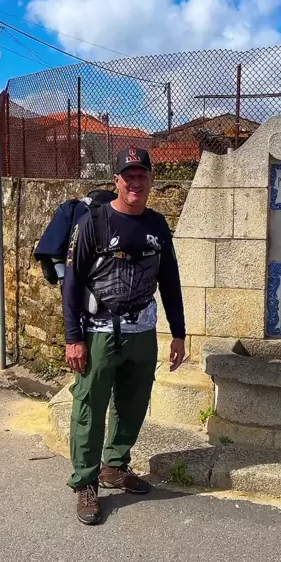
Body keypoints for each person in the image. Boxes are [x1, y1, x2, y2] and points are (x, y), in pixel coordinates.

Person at [62, 146, 186, 525]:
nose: (135, 182)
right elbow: (72, 282)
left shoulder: (158, 225)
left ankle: (115, 466)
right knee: (90, 406)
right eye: (128, 176)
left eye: (141, 175)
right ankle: (86, 482)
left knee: (133, 403)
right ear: (117, 180)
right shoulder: (93, 222)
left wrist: (178, 333)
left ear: (151, 180)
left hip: (142, 331)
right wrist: (73, 337)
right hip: (98, 332)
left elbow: (170, 280)